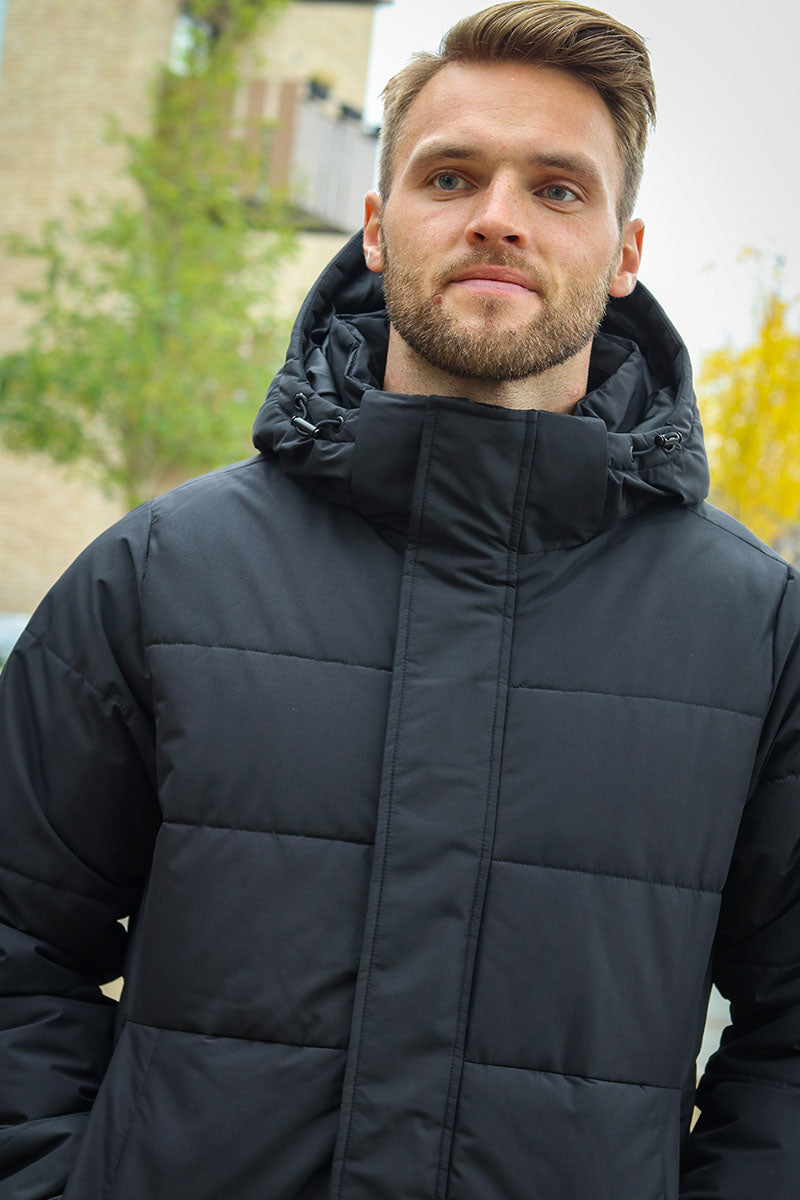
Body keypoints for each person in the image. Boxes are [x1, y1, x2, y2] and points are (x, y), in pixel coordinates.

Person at [2, 1, 799, 1197]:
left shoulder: (755, 634)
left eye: (557, 189)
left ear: (625, 251)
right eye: (449, 176)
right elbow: (16, 944)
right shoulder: (159, 575)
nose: (496, 217)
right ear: (376, 227)